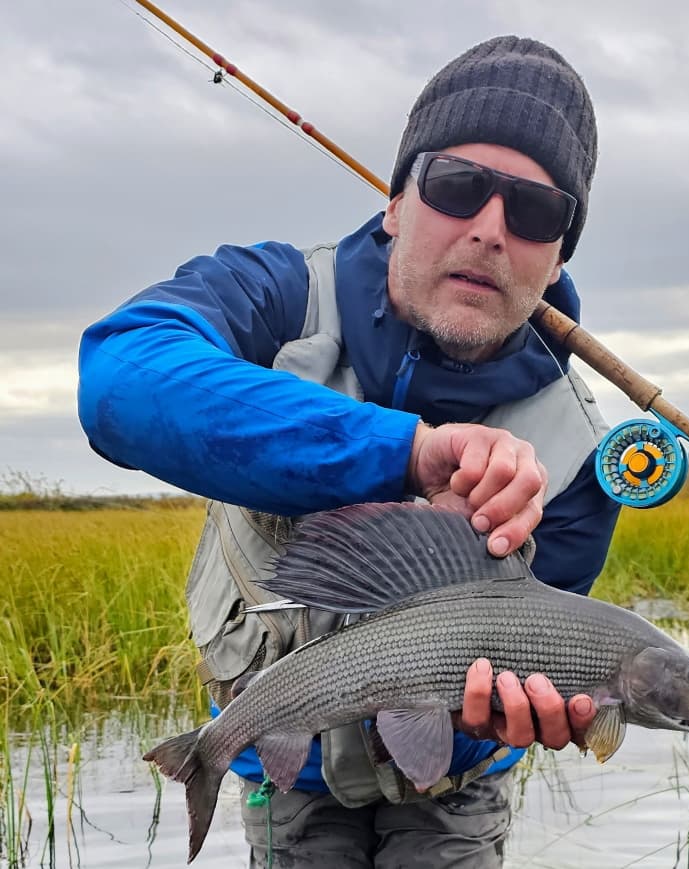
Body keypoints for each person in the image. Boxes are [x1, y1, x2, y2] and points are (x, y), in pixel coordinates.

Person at [78, 34, 620, 868]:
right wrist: (407, 452)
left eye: (536, 211)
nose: (489, 230)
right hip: (279, 766)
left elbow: (542, 656)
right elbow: (118, 382)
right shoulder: (276, 296)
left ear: (557, 259)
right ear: (396, 203)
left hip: (454, 790)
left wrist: (483, 723)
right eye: (456, 185)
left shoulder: (582, 455)